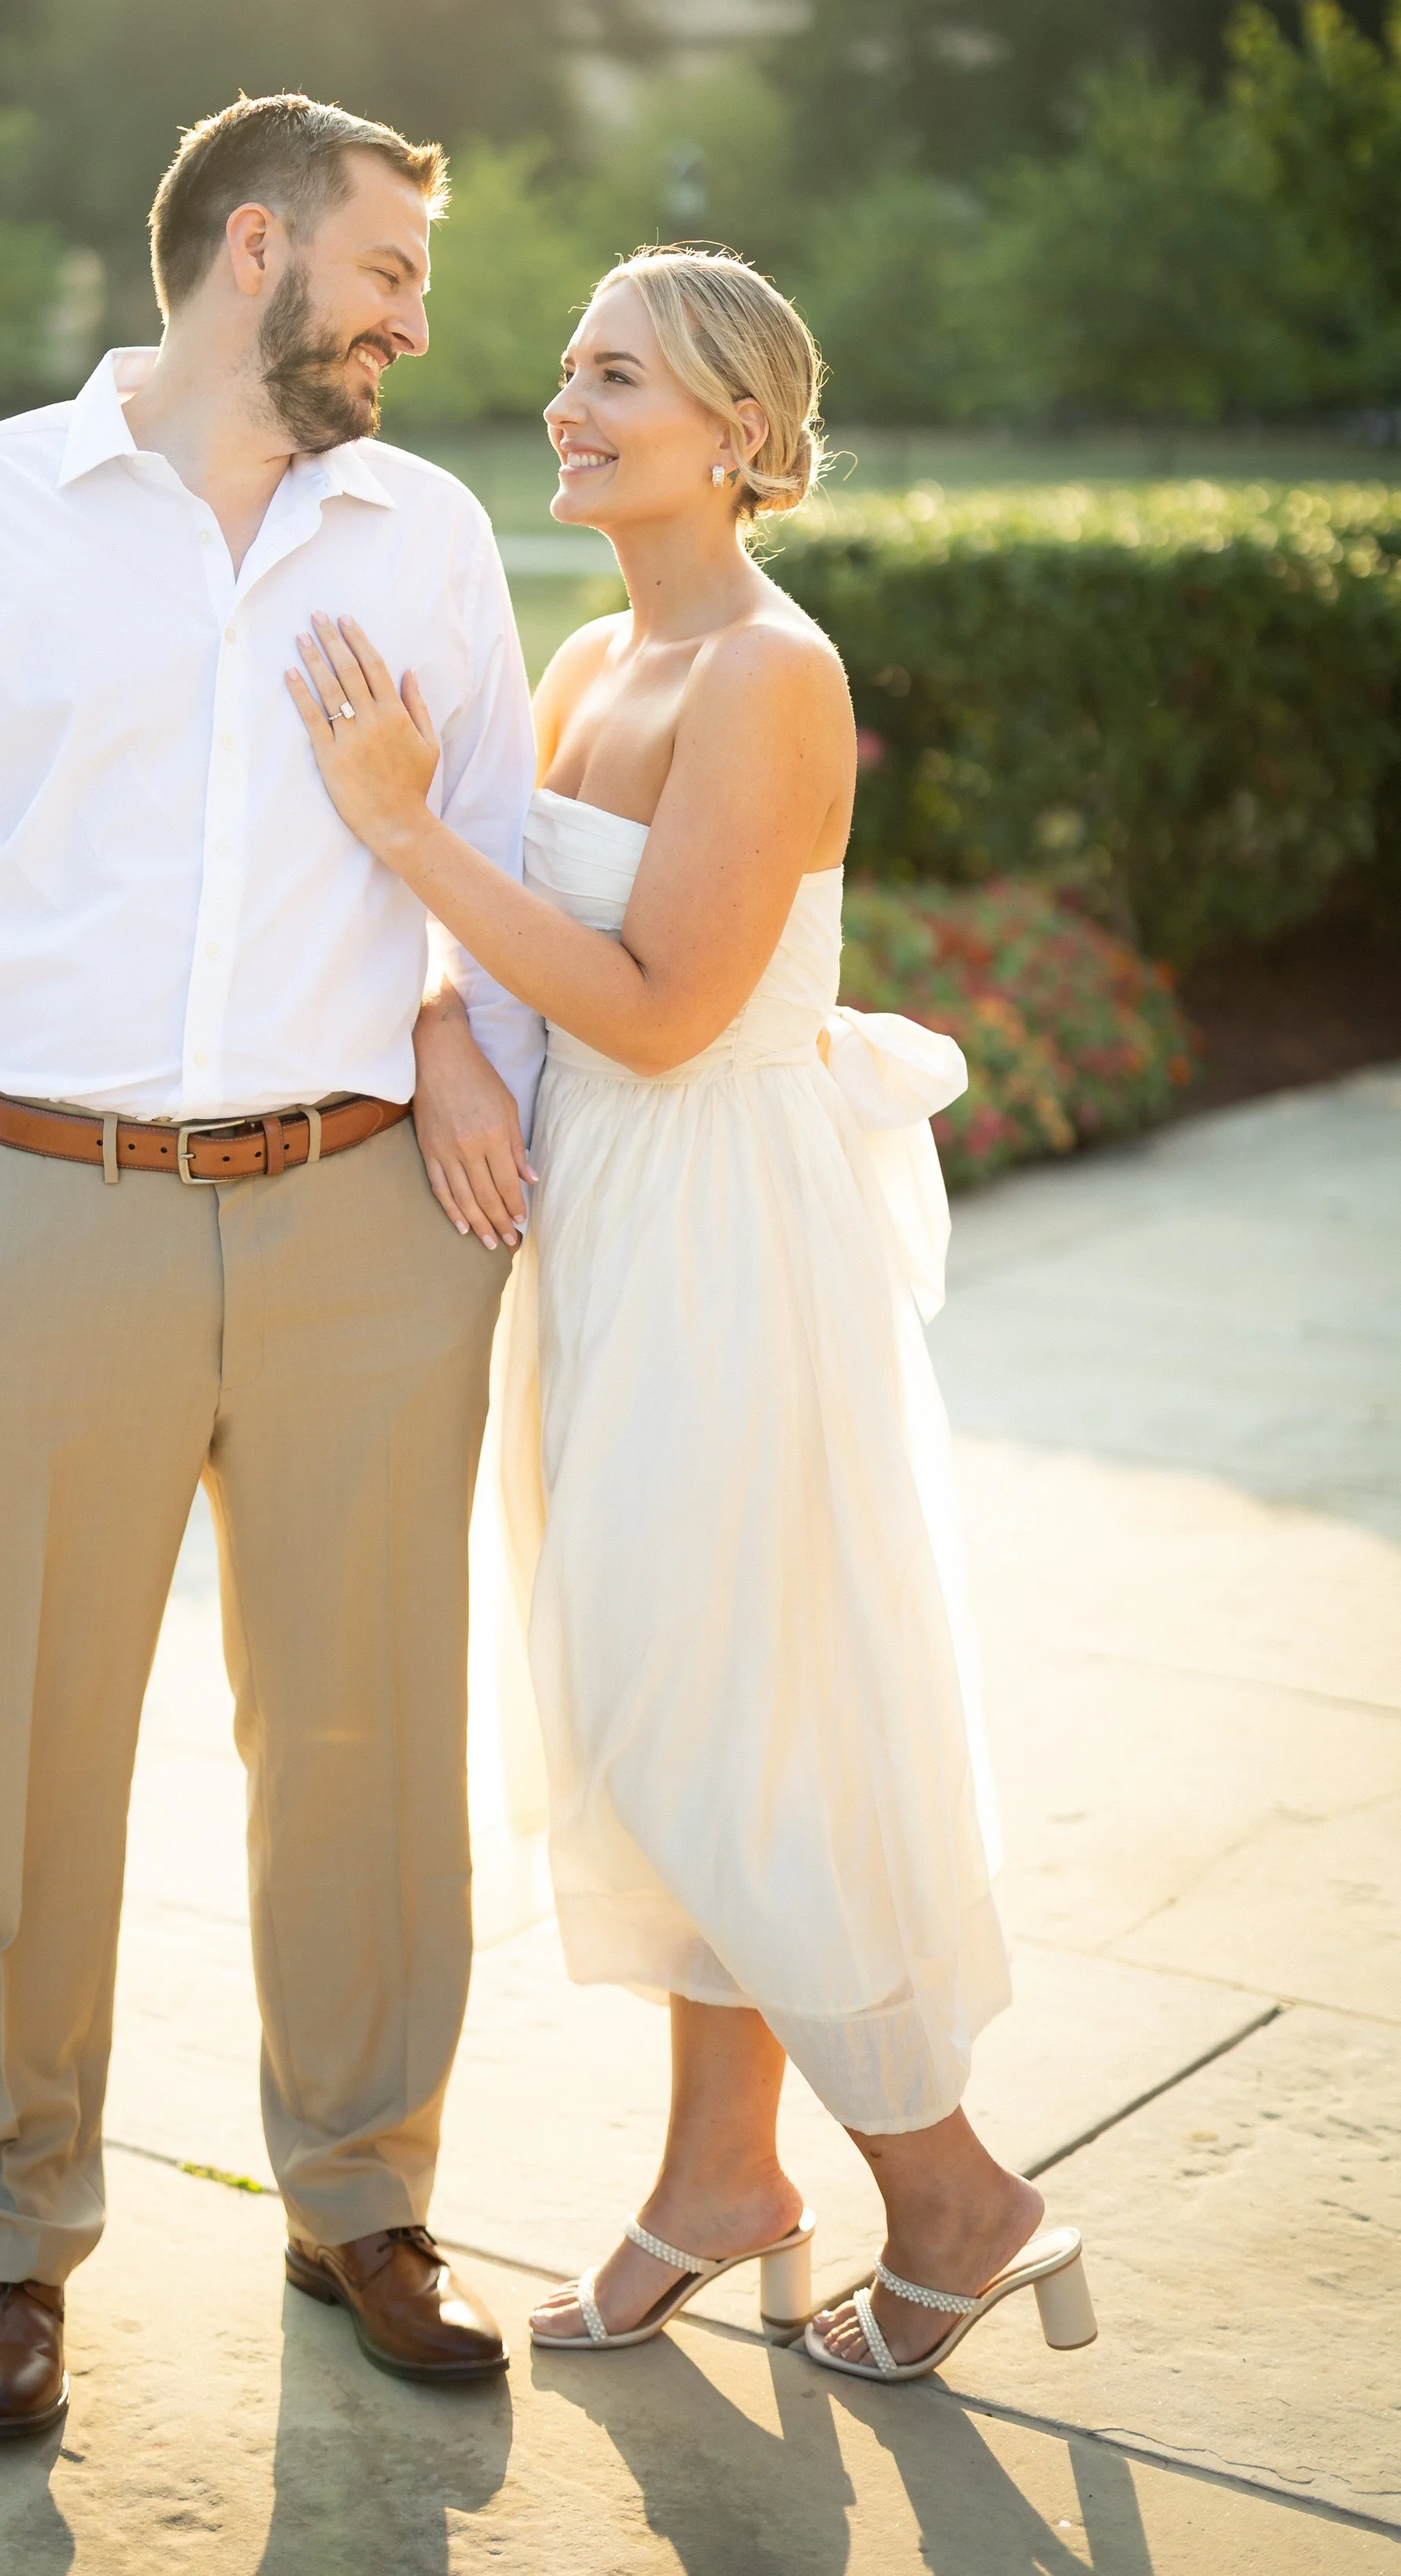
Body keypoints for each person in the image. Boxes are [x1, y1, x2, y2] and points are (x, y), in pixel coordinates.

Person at [0, 94, 549, 2437]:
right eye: (390, 271)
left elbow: (494, 849)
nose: (421, 320)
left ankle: (361, 2192)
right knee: (22, 1754)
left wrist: (458, 1061)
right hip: (38, 1213)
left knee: (371, 1742)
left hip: (357, 1227)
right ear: (256, 249)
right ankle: (9, 2242)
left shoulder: (420, 532)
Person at [284, 245, 1098, 2384]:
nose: (565, 403)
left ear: (737, 434)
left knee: (719, 1725)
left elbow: (654, 1013)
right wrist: (445, 1032)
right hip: (600, 1234)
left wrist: (397, 837)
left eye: (615, 375)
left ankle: (955, 2191)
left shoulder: (769, 670)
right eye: (562, 368)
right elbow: (530, 970)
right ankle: (714, 2175)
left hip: (725, 1232)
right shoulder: (582, 656)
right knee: (651, 1718)